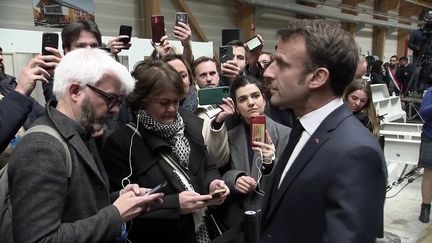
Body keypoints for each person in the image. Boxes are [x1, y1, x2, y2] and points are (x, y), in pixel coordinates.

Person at [8, 48, 163, 243]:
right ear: (75, 91)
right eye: (110, 99)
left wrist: (119, 199)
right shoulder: (42, 147)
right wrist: (116, 214)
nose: (116, 110)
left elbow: (78, 207)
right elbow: (39, 239)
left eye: (119, 101)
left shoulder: (82, 133)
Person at [260, 19, 387, 243]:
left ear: (317, 77)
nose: (268, 73)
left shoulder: (357, 153)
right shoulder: (303, 128)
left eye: (281, 64)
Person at [103, 59, 230, 243]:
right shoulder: (123, 142)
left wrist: (214, 183)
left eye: (176, 101)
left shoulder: (191, 124)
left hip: (203, 232)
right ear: (143, 100)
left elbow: (208, 166)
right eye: (163, 103)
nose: (172, 109)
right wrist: (174, 205)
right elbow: (119, 207)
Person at [219, 75, 290, 242]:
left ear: (264, 100)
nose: (251, 103)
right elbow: (220, 171)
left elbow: (291, 180)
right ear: (236, 107)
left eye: (255, 96)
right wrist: (235, 179)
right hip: (239, 223)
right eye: (243, 99)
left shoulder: (286, 134)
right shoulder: (229, 137)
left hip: (273, 219)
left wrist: (271, 162)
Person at [0, 46, 59, 165]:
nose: (1, 58)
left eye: (0, 53)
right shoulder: (17, 90)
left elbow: (48, 117)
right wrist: (21, 91)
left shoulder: (8, 86)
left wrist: (52, 79)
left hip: (29, 167)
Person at [192, 56, 232, 167]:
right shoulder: (192, 109)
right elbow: (215, 160)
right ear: (195, 79)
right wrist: (217, 123)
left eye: (212, 73)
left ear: (218, 75)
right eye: (203, 75)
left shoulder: (232, 103)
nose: (209, 79)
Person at [418, 87, 432, 223]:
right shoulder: (430, 92)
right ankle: (425, 206)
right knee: (429, 174)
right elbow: (424, 114)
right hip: (430, 137)